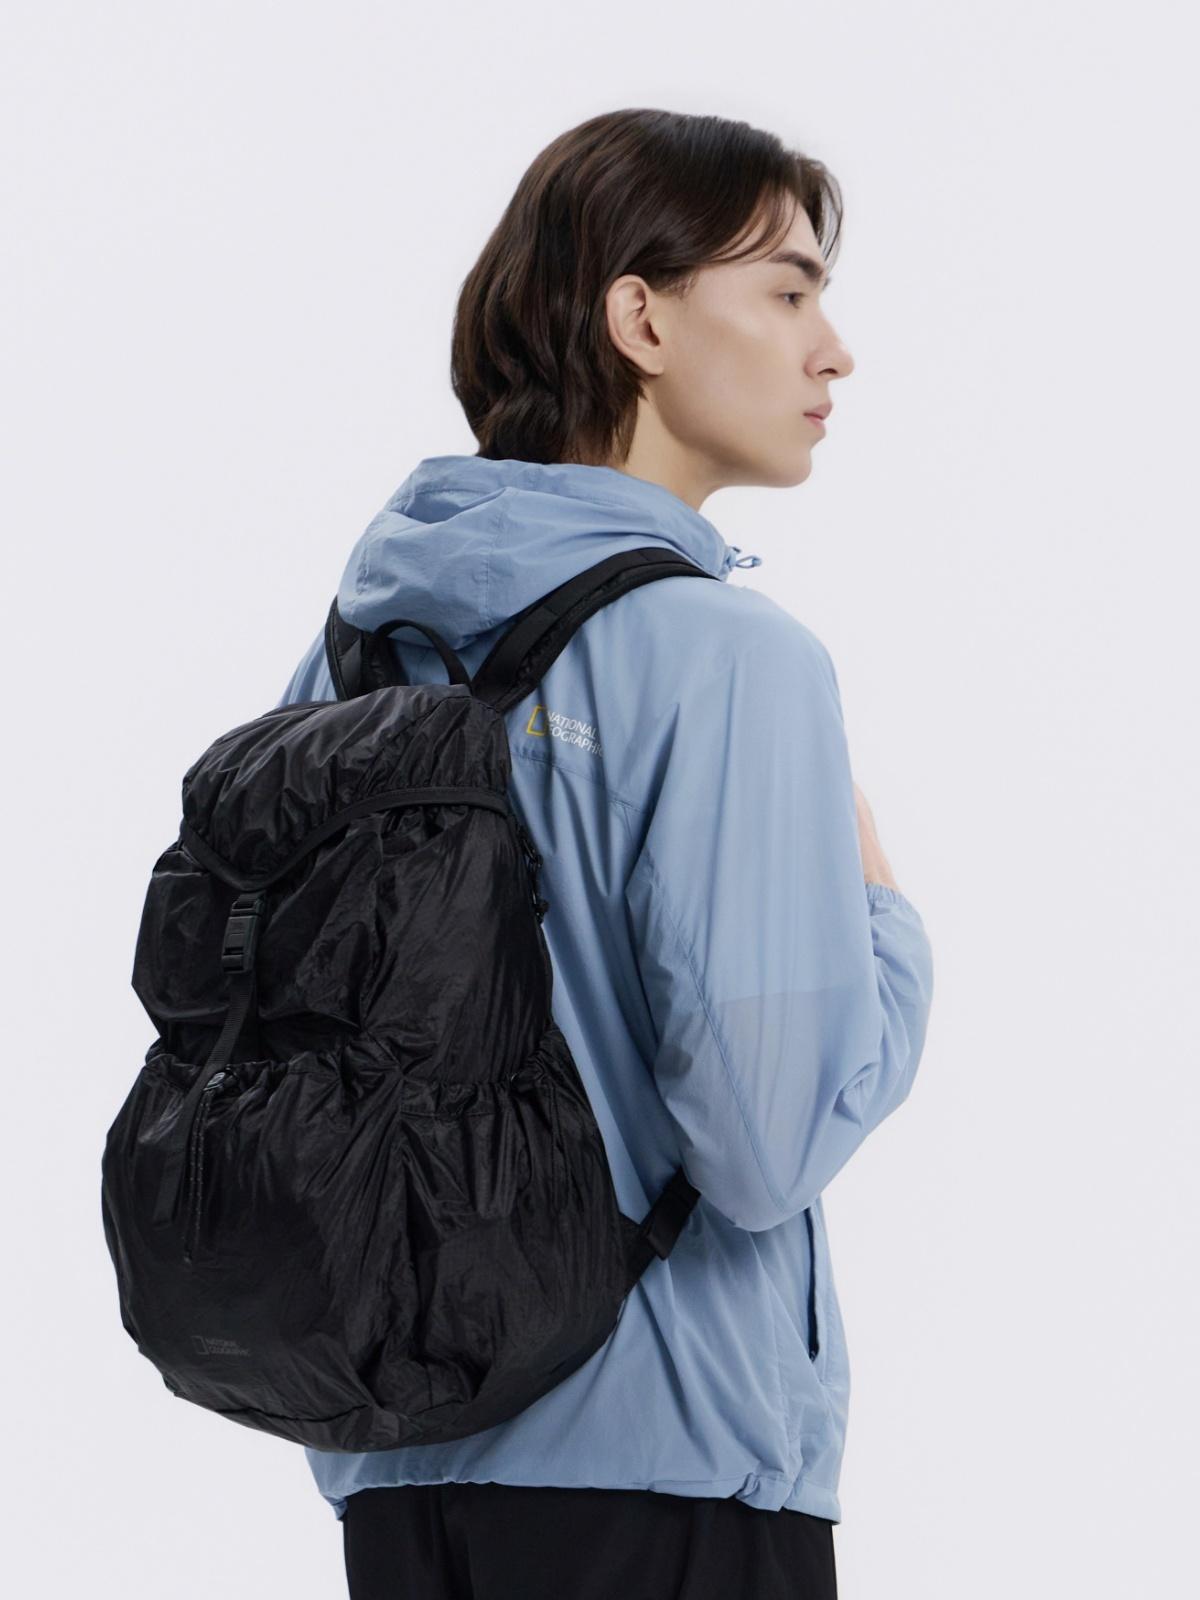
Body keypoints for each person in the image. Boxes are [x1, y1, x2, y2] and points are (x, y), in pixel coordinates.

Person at [277, 106, 934, 1600]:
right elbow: (765, 1144)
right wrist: (888, 927)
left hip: (399, 1472)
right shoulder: (730, 657)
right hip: (669, 1476)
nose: (834, 350)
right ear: (641, 319)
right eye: (788, 291)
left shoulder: (355, 647)